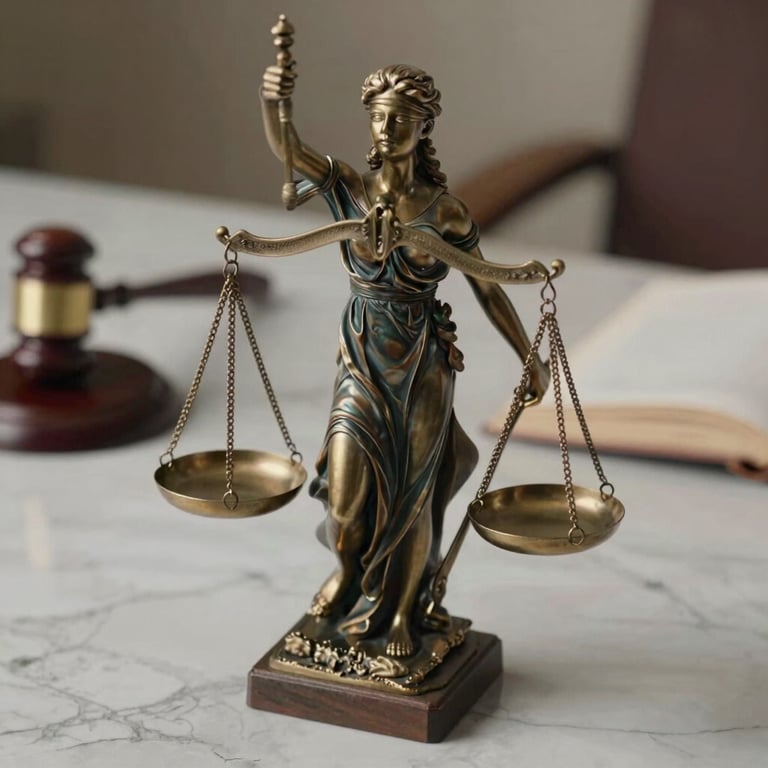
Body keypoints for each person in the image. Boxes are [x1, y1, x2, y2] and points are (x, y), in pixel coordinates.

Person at [261, 62, 549, 659]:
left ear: (424, 130)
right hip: (362, 359)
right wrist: (276, 102)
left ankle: (399, 613)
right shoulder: (347, 186)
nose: (387, 128)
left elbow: (489, 287)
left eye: (401, 120)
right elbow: (289, 149)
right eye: (379, 117)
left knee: (414, 497)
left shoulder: (445, 211)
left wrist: (529, 357)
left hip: (422, 366)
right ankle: (347, 575)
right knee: (345, 494)